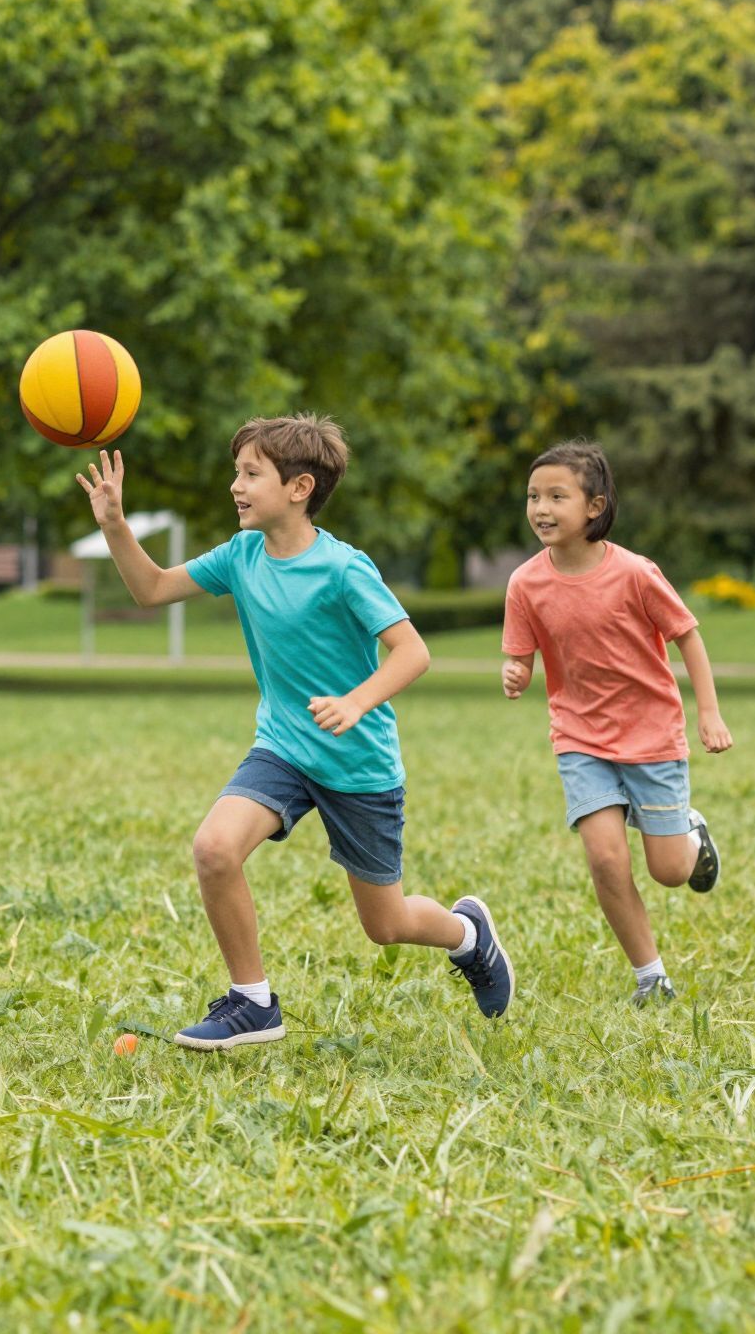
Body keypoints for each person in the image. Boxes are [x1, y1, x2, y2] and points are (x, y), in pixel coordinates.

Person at [79, 415, 514, 1051]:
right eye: (237, 472)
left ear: (299, 487)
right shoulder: (241, 555)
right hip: (283, 748)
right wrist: (116, 524)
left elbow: (413, 652)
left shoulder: (343, 569)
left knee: (386, 925)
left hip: (357, 763)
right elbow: (151, 589)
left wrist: (355, 702)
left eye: (251, 474)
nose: (236, 486)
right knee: (214, 849)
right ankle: (253, 1002)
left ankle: (469, 936)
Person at [503, 440, 731, 1004]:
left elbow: (687, 636)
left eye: (557, 496)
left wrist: (709, 713)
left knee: (669, 871)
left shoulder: (635, 573)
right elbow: (522, 656)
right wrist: (516, 673)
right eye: (534, 496)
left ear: (595, 506)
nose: (541, 508)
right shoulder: (525, 583)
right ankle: (651, 976)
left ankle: (690, 832)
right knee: (605, 858)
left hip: (651, 735)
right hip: (580, 738)